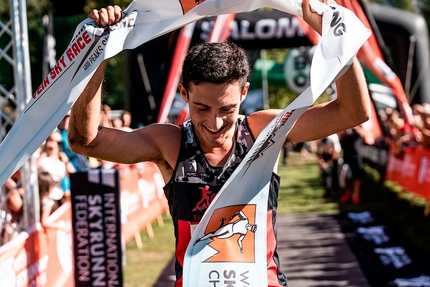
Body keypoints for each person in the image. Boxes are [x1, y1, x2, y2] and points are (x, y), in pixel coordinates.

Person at [68, 2, 370, 286]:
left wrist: (335, 35)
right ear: (184, 94)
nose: (214, 123)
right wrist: (100, 55)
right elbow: (86, 141)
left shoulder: (263, 131)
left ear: (244, 93)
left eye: (227, 109)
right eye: (202, 109)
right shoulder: (170, 142)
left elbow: (352, 112)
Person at [339, 125, 365, 204]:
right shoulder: (344, 125)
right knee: (346, 174)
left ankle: (355, 194)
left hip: (357, 155)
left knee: (357, 176)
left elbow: (362, 134)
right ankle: (348, 192)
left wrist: (354, 126)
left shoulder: (358, 125)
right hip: (347, 156)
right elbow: (340, 135)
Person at [316, 133, 341, 198]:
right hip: (325, 155)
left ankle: (335, 191)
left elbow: (336, 152)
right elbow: (317, 151)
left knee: (335, 173)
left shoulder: (333, 137)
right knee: (325, 173)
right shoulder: (319, 138)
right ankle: (327, 190)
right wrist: (320, 160)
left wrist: (328, 163)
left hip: (333, 155)